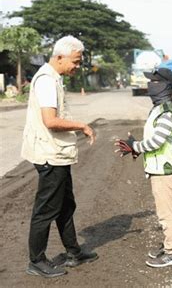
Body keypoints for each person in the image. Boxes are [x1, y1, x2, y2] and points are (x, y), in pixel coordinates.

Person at [21, 35, 98, 278]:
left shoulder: (54, 78)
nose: (77, 66)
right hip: (49, 154)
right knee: (46, 209)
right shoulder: (46, 81)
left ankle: (74, 251)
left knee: (65, 205)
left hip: (57, 153)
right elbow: (51, 121)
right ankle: (37, 260)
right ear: (60, 57)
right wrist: (82, 126)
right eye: (75, 61)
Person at [115, 67, 172, 268]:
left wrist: (134, 146)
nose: (149, 86)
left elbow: (156, 142)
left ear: (163, 86)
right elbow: (152, 141)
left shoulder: (167, 112)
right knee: (164, 211)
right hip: (158, 169)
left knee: (166, 213)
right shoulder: (158, 109)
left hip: (165, 171)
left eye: (153, 82)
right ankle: (170, 246)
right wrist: (136, 147)